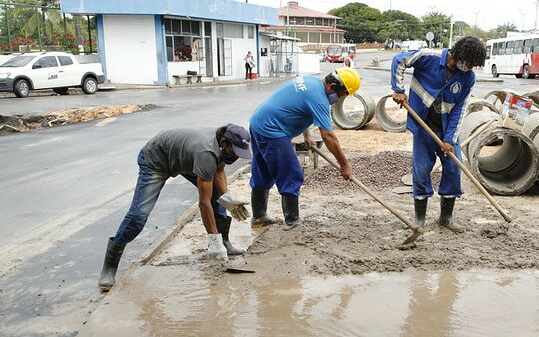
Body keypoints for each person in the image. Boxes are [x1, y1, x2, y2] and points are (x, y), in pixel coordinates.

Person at [98, 124, 253, 291]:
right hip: (155, 161)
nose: (236, 156)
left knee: (218, 197)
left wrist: (227, 197)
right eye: (235, 152)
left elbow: (219, 170)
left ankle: (224, 242)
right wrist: (212, 239)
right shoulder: (207, 153)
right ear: (223, 142)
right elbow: (203, 202)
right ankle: (109, 267)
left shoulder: (222, 145)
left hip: (183, 158)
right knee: (139, 215)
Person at [390, 36, 487, 232]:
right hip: (422, 127)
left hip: (446, 130)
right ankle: (419, 219)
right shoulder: (429, 58)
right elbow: (399, 60)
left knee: (453, 169)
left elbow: (459, 110)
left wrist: (449, 139)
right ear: (460, 55)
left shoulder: (468, 78)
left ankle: (446, 218)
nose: (470, 67)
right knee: (421, 171)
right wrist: (398, 89)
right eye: (469, 63)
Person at [248, 68, 360, 229]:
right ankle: (292, 221)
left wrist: (307, 135)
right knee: (291, 173)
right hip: (272, 131)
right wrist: (344, 164)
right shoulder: (319, 99)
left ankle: (259, 216)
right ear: (332, 86)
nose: (340, 98)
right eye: (342, 94)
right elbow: (328, 136)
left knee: (262, 171)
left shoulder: (310, 81)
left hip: (258, 122)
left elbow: (299, 108)